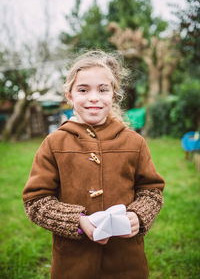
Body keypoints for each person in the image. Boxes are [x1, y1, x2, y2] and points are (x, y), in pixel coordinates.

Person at [23, 50, 165, 279]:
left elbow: (151, 191)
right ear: (69, 95)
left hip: (126, 261)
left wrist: (138, 216)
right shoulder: (54, 143)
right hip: (72, 263)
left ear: (114, 94)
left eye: (102, 89)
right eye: (83, 90)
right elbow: (35, 201)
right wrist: (77, 221)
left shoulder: (134, 142)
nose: (93, 98)